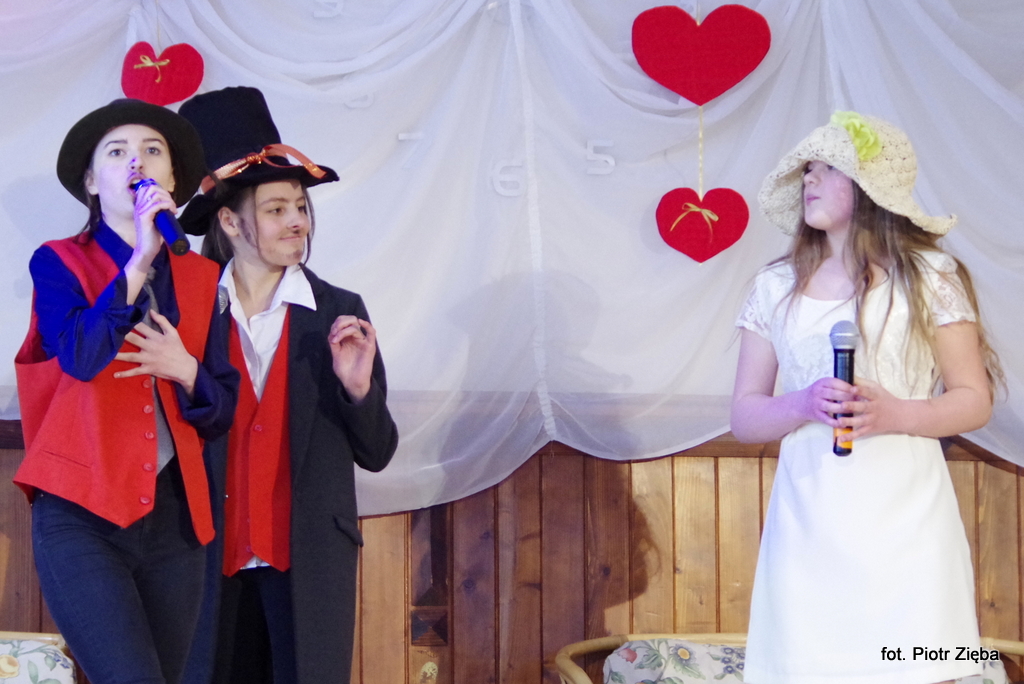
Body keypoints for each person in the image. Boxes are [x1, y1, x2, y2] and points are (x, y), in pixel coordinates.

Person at [732, 112, 1003, 684]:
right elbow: (745, 416)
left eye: (827, 167)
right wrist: (802, 404)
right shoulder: (775, 286)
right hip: (808, 526)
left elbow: (974, 399)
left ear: (871, 187)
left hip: (909, 524)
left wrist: (897, 412)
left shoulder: (931, 276)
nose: (809, 178)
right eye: (808, 168)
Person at [176, 86, 399, 684]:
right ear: (230, 221)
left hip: (308, 562)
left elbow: (378, 451)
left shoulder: (340, 312)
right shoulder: (189, 311)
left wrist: (358, 390)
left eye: (299, 205)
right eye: (276, 209)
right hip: (205, 560)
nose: (297, 220)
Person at [13, 99, 239, 684]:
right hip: (81, 511)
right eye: (117, 152)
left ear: (172, 181)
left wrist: (186, 370)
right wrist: (139, 260)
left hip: (176, 521)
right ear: (92, 182)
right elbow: (82, 357)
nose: (136, 161)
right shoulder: (57, 262)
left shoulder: (204, 277)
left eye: (152, 151)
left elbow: (221, 410)